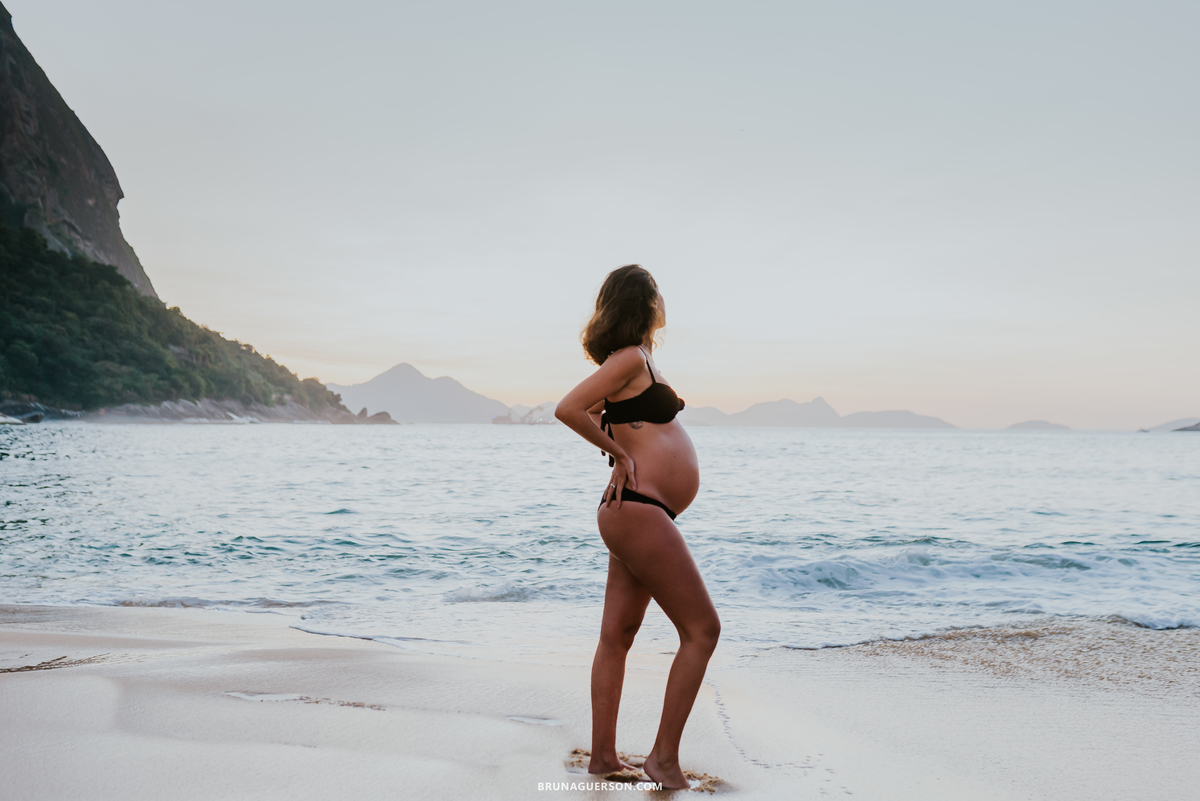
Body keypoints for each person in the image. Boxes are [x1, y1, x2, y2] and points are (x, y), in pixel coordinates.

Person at [555, 264, 720, 790]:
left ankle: (603, 757)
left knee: (617, 636)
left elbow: (609, 412)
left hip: (637, 511)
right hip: (639, 508)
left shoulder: (638, 363)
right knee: (703, 630)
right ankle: (664, 759)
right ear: (643, 303)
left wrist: (620, 448)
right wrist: (618, 452)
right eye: (656, 294)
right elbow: (569, 408)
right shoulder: (629, 359)